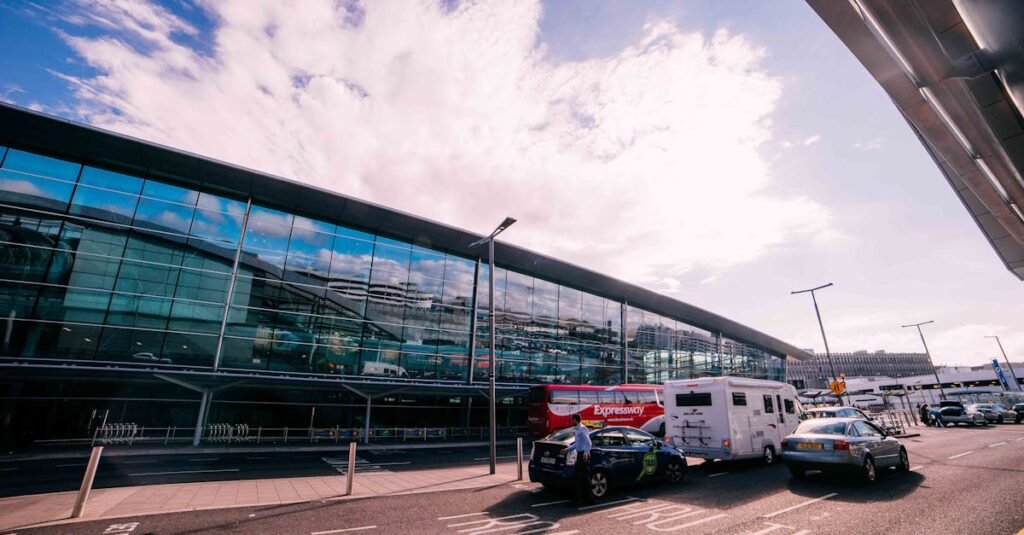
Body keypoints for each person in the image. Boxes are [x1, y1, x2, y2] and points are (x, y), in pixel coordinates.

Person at [564, 413, 593, 504]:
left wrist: (586, 453)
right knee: (580, 477)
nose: (571, 421)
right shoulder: (577, 430)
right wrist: (567, 449)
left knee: (582, 477)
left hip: (583, 456)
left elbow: (588, 442)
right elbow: (577, 444)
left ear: (576, 420)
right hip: (580, 455)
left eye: (572, 420)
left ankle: (586, 498)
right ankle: (581, 498)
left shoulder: (582, 428)